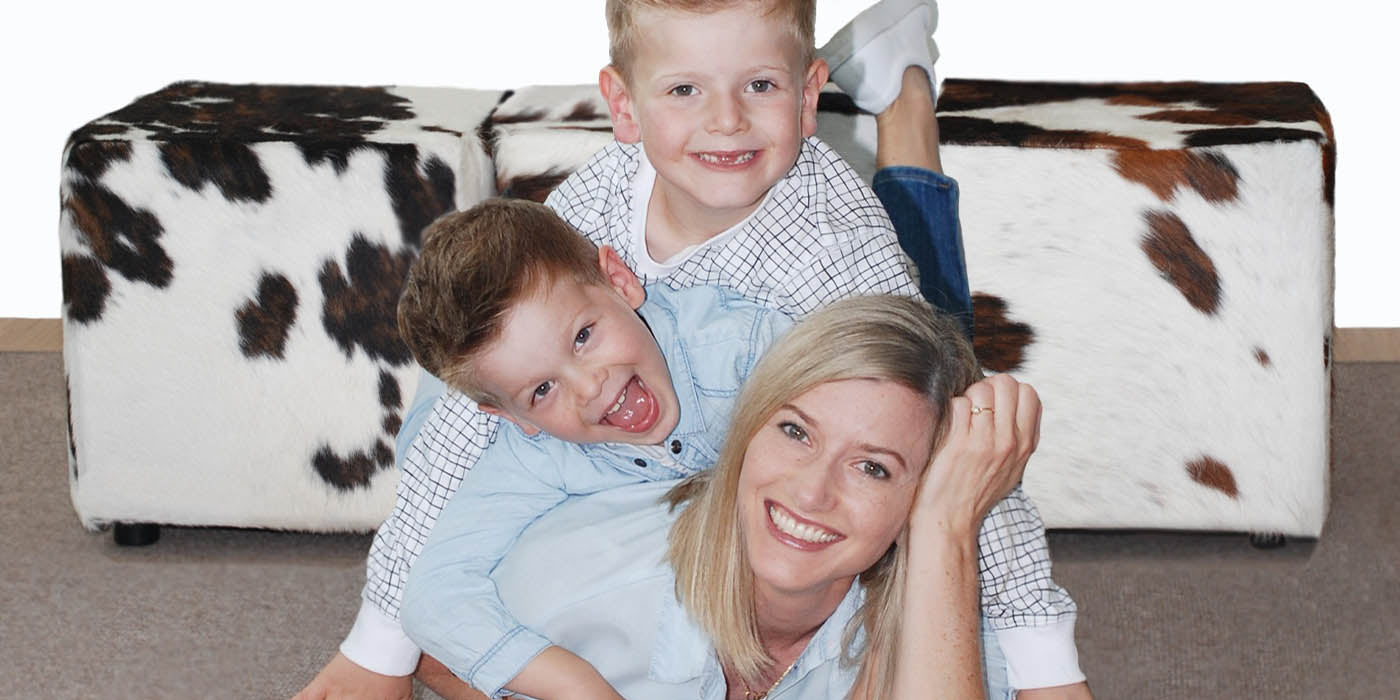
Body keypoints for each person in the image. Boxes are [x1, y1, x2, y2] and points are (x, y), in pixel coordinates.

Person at [295, 1, 1078, 698]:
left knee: (926, 337)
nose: (727, 122)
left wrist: (1049, 669)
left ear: (809, 96)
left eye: (760, 87)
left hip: (848, 330)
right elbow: (461, 437)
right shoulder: (593, 207)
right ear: (625, 109)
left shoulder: (840, 254)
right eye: (683, 90)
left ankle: (906, 102)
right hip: (697, 430)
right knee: (463, 386)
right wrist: (381, 643)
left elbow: (971, 455)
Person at [436, 295, 1083, 698]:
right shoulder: (575, 571)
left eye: (874, 469)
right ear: (747, 428)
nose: (811, 491)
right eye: (795, 431)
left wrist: (945, 529)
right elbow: (439, 655)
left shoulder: (950, 635)